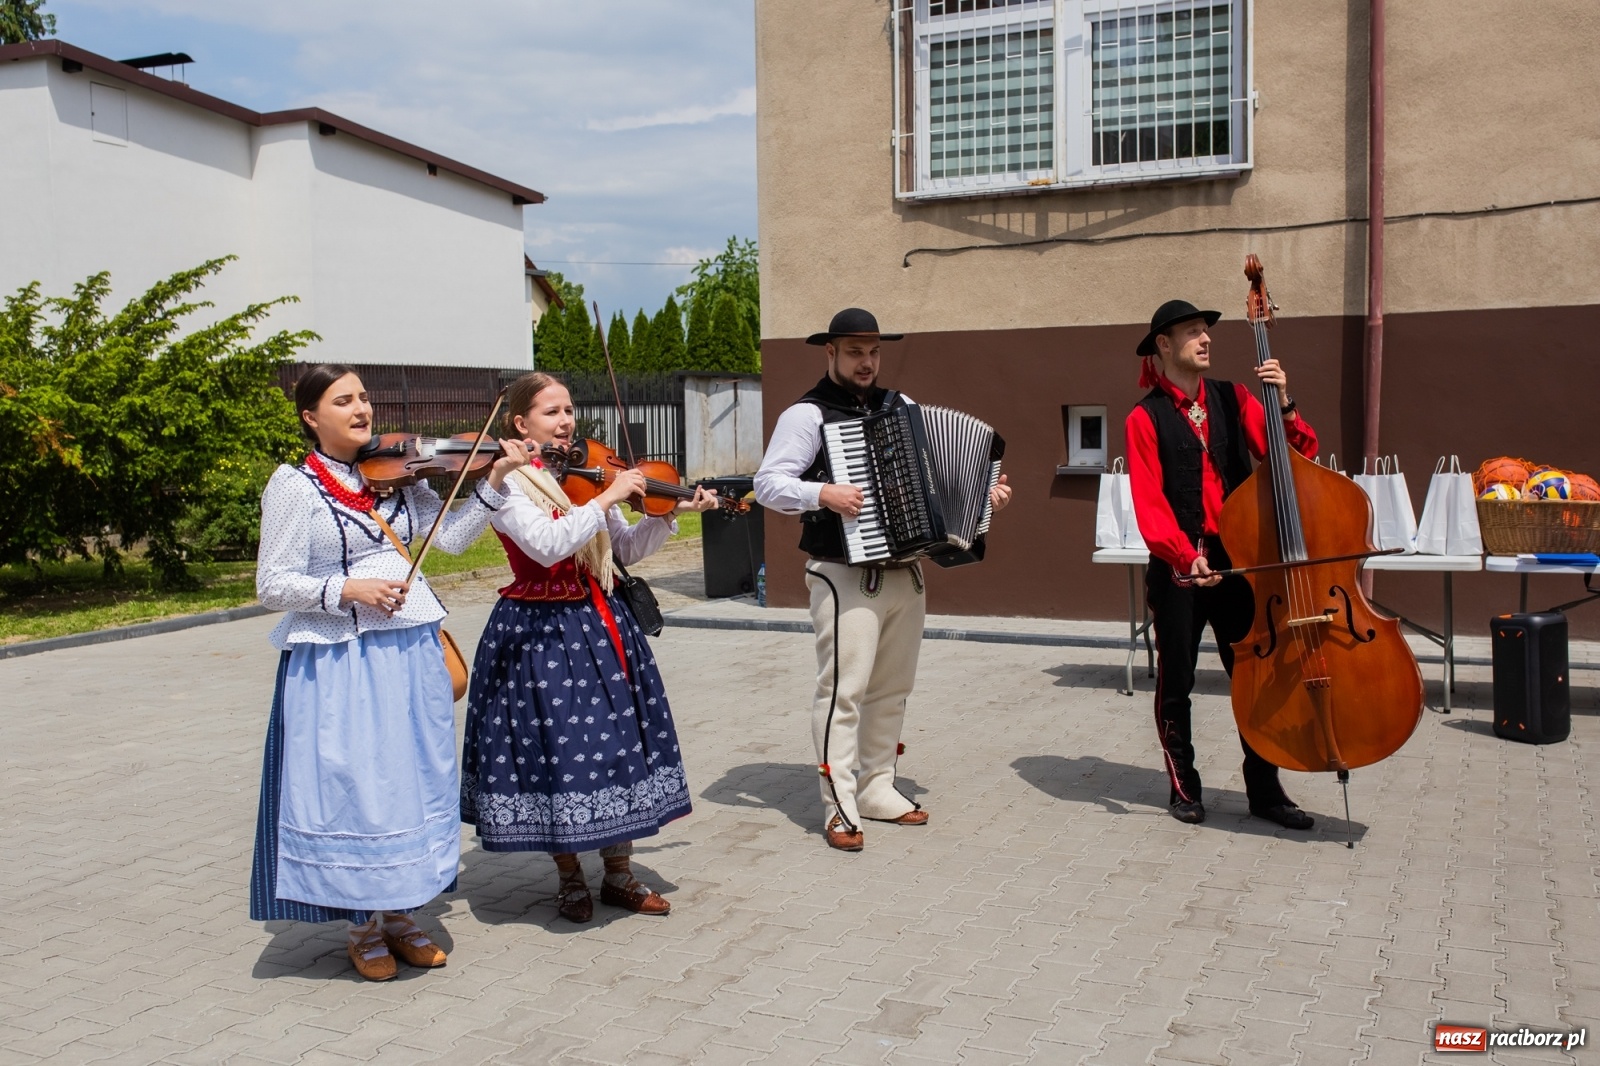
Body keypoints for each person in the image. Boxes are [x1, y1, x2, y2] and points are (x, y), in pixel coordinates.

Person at [251, 363, 530, 981]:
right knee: (356, 785)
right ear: (310, 416)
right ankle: (362, 926)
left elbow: (452, 540)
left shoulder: (402, 475)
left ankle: (404, 914)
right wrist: (348, 587)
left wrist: (497, 479)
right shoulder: (294, 485)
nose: (362, 409)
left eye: (365, 398)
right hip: (341, 659)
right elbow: (272, 583)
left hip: (410, 651)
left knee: (412, 779)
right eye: (343, 400)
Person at [459, 372, 718, 922]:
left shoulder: (588, 475)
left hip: (601, 622)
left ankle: (620, 874)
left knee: (619, 745)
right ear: (520, 423)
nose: (566, 421)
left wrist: (667, 511)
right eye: (552, 412)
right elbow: (550, 547)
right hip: (539, 634)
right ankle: (570, 876)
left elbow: (623, 548)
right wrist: (606, 498)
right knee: (557, 753)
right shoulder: (506, 485)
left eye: (569, 410)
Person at [754, 308, 1012, 852]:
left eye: (873, 351)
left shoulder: (904, 406)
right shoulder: (807, 414)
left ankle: (876, 787)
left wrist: (978, 500)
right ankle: (839, 802)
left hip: (906, 571)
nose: (867, 361)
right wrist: (822, 493)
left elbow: (936, 482)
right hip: (842, 571)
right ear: (831, 352)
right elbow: (769, 484)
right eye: (854, 352)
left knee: (893, 689)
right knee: (843, 691)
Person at [1124, 299, 1318, 830]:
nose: (1206, 339)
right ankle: (1184, 786)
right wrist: (1186, 556)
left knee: (1255, 677)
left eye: (1206, 331)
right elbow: (1150, 505)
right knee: (1177, 680)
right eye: (1192, 332)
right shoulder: (1143, 418)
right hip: (1179, 568)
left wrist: (1283, 403)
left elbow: (1293, 459)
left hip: (1239, 564)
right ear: (1164, 345)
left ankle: (1265, 791)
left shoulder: (1236, 398)